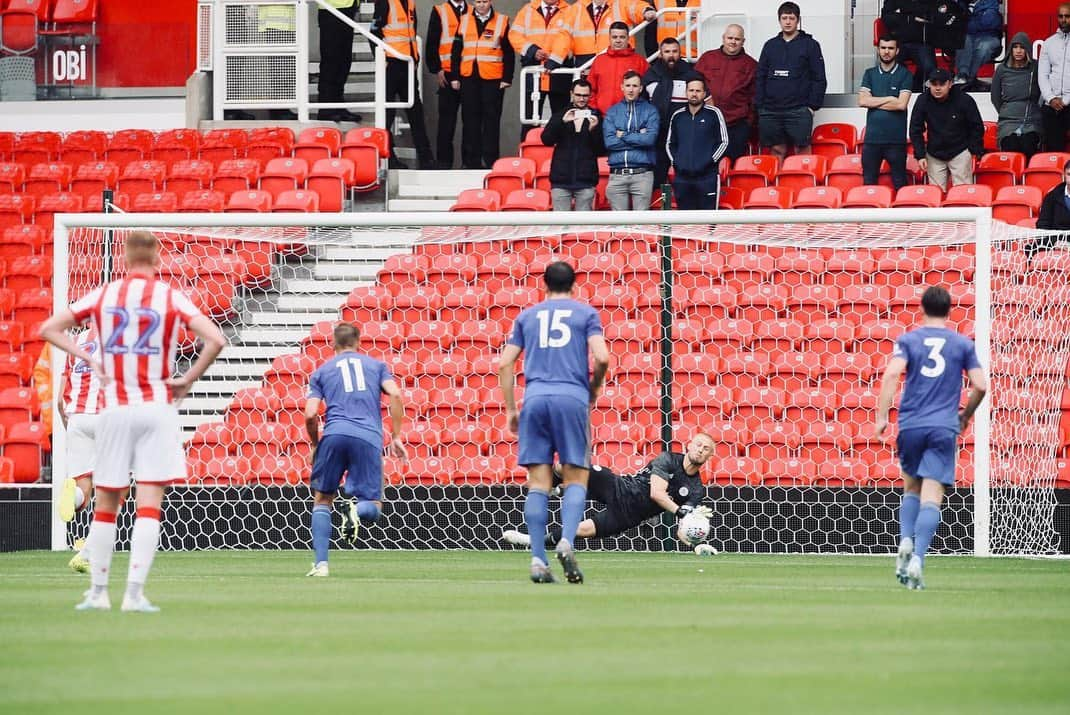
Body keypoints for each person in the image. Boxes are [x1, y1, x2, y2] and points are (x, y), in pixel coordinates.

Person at [38, 231, 226, 612]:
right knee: (149, 503)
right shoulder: (169, 297)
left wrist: (88, 359)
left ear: (124, 258)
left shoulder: (106, 295)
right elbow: (216, 339)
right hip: (156, 408)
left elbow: (49, 328)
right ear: (157, 259)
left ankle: (97, 593)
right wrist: (187, 380)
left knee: (107, 502)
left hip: (114, 408)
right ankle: (135, 594)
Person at [498, 261, 610, 584]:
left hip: (534, 399)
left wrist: (510, 409)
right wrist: (593, 388)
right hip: (571, 397)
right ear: (574, 286)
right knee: (576, 478)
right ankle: (566, 541)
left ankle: (537, 559)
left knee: (538, 483)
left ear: (543, 286)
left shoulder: (527, 316)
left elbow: (505, 363)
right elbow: (602, 357)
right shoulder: (586, 314)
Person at [875, 285, 987, 590]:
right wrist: (965, 416)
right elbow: (980, 385)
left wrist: (883, 417)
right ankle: (918, 561)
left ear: (922, 309)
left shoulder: (909, 340)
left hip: (911, 424)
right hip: (942, 427)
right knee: (933, 495)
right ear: (950, 311)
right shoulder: (962, 344)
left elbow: (890, 374)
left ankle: (905, 540)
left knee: (910, 486)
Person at [304, 323, 407, 578]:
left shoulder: (321, 371)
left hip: (334, 434)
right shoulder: (377, 366)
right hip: (368, 437)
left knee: (323, 499)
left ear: (333, 344)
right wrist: (396, 436)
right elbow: (395, 395)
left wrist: (316, 444)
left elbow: (310, 413)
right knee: (372, 507)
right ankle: (356, 512)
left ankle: (321, 565)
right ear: (358, 342)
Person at [503, 433, 717, 549]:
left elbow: (683, 528)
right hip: (621, 488)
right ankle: (550, 486)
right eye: (698, 444)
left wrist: (695, 542)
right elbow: (657, 493)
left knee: (580, 530)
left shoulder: (696, 489)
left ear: (710, 456)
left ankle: (533, 541)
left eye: (706, 448)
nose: (700, 449)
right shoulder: (668, 459)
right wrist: (680, 511)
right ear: (689, 445)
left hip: (631, 515)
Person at [55, 328, 105, 574]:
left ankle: (71, 496)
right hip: (106, 418)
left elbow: (59, 401)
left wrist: (70, 427)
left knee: (83, 491)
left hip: (76, 418)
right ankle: (88, 553)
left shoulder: (75, 341)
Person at [755, 1, 827, 162]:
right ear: (779, 20)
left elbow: (819, 78)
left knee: (802, 150)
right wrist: (760, 105)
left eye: (791, 18)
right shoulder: (770, 45)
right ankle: (777, 186)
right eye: (784, 18)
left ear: (798, 20)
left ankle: (804, 185)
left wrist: (811, 106)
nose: (788, 22)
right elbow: (760, 76)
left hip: (799, 109)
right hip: (771, 109)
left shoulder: (811, 45)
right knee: (776, 149)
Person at [449, 0, 516, 170]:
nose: (481, 5)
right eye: (478, 1)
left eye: (484, 1)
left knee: (491, 121)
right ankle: (471, 162)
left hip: (493, 79)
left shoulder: (502, 20)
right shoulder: (464, 20)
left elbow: (509, 52)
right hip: (469, 77)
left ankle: (490, 162)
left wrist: (507, 78)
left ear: (490, 2)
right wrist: (455, 77)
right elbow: (456, 51)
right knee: (470, 121)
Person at [372, 0, 436, 168]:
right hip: (391, 64)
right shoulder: (385, 2)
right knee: (388, 113)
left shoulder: (410, 3)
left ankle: (426, 158)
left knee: (416, 111)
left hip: (407, 64)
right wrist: (381, 59)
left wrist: (415, 58)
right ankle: (389, 157)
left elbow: (411, 33)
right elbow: (373, 32)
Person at [909, 67, 985, 190]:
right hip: (934, 153)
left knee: (963, 194)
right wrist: (920, 155)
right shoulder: (923, 100)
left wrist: (972, 150)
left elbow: (977, 126)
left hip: (960, 151)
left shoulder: (964, 99)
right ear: (929, 84)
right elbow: (915, 129)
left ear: (950, 84)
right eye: (934, 84)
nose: (937, 88)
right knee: (935, 194)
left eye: (942, 84)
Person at [695, 24, 759, 161]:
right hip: (707, 121)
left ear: (743, 41)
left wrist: (748, 123)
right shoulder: (707, 58)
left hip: (736, 125)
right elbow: (694, 80)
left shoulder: (751, 65)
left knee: (733, 164)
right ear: (723, 38)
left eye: (737, 39)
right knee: (706, 161)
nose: (733, 42)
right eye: (730, 37)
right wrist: (706, 96)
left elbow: (755, 96)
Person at [642, 36, 699, 187]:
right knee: (657, 177)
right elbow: (642, 105)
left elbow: (703, 102)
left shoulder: (691, 74)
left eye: (675, 51)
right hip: (658, 135)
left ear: (680, 53)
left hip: (684, 135)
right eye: (667, 51)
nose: (671, 55)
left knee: (684, 178)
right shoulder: (650, 75)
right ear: (660, 54)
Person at [509, 0, 570, 138]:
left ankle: (561, 155)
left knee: (561, 118)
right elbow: (514, 35)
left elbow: (570, 38)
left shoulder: (569, 10)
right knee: (529, 119)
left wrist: (554, 59)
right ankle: (527, 153)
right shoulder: (527, 10)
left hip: (559, 71)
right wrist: (532, 50)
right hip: (533, 72)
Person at [859, 35, 914, 190]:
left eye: (890, 48)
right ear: (878, 50)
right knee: (868, 184)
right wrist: (890, 98)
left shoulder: (905, 74)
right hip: (871, 141)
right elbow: (862, 101)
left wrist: (874, 102)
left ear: (897, 51)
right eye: (883, 48)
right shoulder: (869, 73)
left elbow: (901, 105)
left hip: (895, 141)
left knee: (900, 183)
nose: (886, 52)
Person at [542, 79, 606, 210]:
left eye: (585, 95)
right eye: (578, 95)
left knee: (583, 227)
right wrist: (562, 122)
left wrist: (593, 130)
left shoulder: (597, 117)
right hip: (560, 180)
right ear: (571, 94)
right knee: (560, 225)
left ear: (590, 96)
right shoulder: (561, 114)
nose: (582, 99)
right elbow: (546, 140)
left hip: (586, 180)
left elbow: (601, 150)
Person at [666, 77, 729, 210]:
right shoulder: (677, 116)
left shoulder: (714, 114)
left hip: (707, 177)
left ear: (704, 94)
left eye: (698, 91)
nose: (694, 94)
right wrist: (677, 162)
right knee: (685, 221)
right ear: (686, 92)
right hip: (682, 178)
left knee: (708, 220)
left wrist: (709, 161)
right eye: (691, 90)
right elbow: (670, 143)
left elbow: (723, 142)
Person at [547, 0, 656, 74]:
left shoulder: (621, 4)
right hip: (585, 66)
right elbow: (564, 36)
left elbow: (636, 6)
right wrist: (555, 59)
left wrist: (646, 11)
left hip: (618, 62)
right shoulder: (576, 9)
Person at [603, 69, 660, 210]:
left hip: (642, 175)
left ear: (641, 88)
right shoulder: (612, 111)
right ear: (622, 87)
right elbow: (609, 142)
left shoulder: (650, 110)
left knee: (640, 224)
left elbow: (649, 140)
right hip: (617, 174)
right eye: (628, 85)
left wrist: (623, 135)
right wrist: (638, 135)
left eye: (635, 86)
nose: (631, 90)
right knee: (619, 225)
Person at [881, 1, 967, 93]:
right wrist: (910, 17)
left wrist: (903, 13)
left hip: (920, 42)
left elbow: (930, 15)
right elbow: (887, 18)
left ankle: (916, 86)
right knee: (893, 64)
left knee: (929, 67)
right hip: (897, 41)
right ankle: (903, 85)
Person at [426, 0, 468, 168]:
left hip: (468, 73)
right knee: (446, 123)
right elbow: (432, 42)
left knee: (471, 122)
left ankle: (468, 162)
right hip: (447, 73)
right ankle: (444, 163)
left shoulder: (472, 10)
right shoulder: (440, 10)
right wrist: (437, 68)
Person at [990, 32, 1042, 159]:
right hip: (1008, 122)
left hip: (1031, 121)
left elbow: (1043, 90)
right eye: (1015, 47)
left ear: (1028, 50)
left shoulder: (1036, 67)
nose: (1018, 51)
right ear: (1010, 49)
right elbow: (995, 96)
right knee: (1011, 146)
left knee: (1028, 145)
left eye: (1022, 47)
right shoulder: (1001, 69)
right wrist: (1006, 111)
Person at [588, 21, 649, 116]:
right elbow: (590, 88)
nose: (618, 40)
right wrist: (595, 107)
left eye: (622, 37)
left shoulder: (640, 61)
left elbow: (647, 90)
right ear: (609, 38)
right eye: (614, 37)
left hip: (631, 117)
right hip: (603, 116)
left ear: (628, 38)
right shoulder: (599, 60)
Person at [317, 0, 363, 122]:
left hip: (349, 7)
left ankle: (339, 106)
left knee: (344, 62)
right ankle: (326, 108)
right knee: (331, 61)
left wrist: (357, 7)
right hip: (331, 9)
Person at [1039, 4, 1070, 153]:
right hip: (1052, 105)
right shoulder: (1049, 43)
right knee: (1054, 152)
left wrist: (1066, 100)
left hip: (1068, 102)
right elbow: (1042, 75)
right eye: (1061, 16)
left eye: (1067, 16)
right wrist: (1051, 98)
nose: (1064, 20)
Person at [955, 0, 1003, 89]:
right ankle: (963, 74)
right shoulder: (960, 3)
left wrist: (967, 23)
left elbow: (989, 22)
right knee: (963, 40)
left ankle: (968, 78)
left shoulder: (991, 2)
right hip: (968, 36)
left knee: (983, 48)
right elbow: (956, 23)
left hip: (989, 36)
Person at [1033, 159, 1070, 254]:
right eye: (1069, 174)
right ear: (1064, 176)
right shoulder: (1051, 197)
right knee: (1030, 249)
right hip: (1056, 242)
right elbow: (1042, 225)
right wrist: (1055, 242)